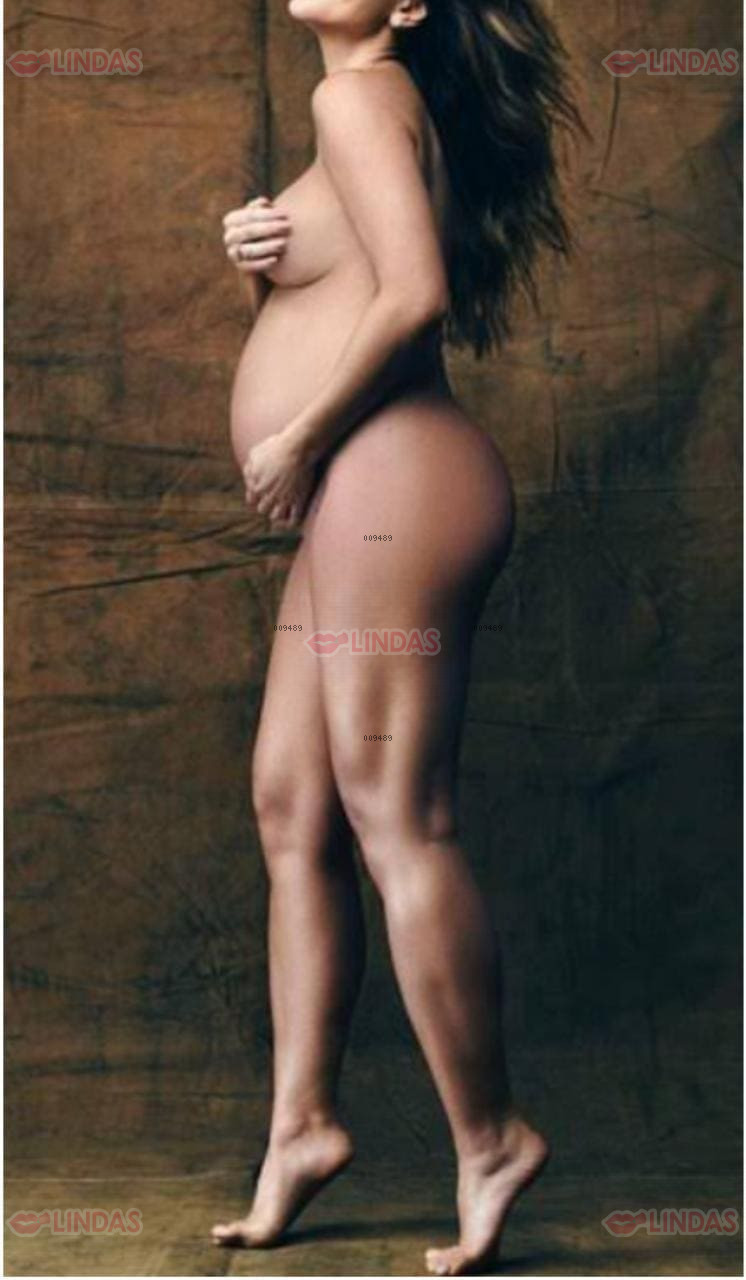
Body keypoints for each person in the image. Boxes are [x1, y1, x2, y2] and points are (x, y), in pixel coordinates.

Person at [211, 1, 584, 1272]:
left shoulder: (356, 96)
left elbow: (415, 298)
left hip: (388, 487)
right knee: (290, 805)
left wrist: (297, 436)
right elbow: (360, 284)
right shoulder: (369, 109)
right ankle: (301, 1125)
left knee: (393, 815)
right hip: (357, 503)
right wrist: (263, 256)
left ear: (409, 4)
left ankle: (490, 1138)